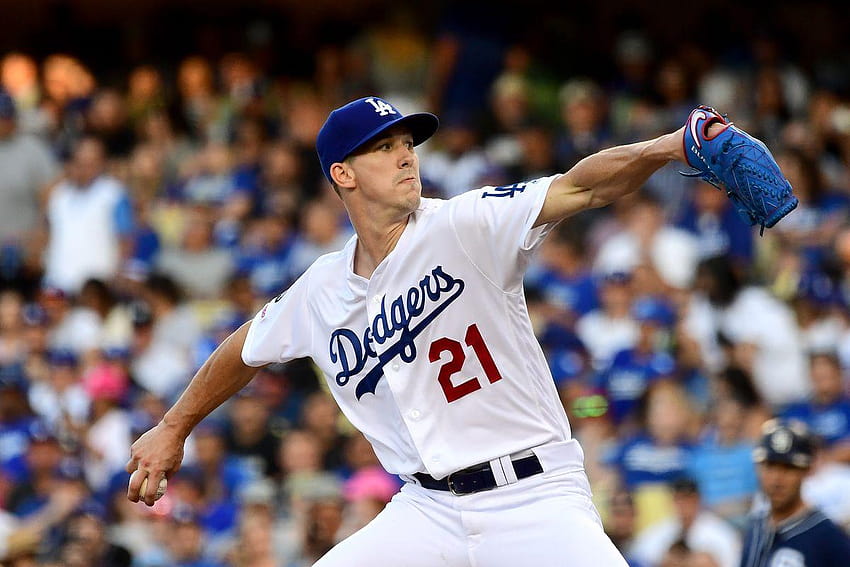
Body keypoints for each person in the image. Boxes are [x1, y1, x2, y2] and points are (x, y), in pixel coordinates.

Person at [127, 95, 723, 566]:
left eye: (407, 142)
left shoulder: (463, 223)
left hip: (533, 497)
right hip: (428, 508)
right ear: (344, 174)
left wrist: (671, 146)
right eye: (383, 148)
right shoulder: (321, 289)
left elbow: (582, 185)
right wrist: (174, 426)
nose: (406, 155)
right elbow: (244, 348)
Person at [739, 419, 850, 567]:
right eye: (770, 466)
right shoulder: (756, 526)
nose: (777, 479)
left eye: (788, 468)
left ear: (806, 470)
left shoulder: (827, 537)